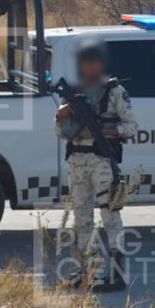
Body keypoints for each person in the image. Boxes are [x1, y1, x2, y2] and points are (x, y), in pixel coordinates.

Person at [54, 37, 138, 291]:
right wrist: (61, 115)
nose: (89, 67)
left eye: (93, 62)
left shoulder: (114, 92)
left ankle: (116, 273)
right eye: (85, 62)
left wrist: (105, 130)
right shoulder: (74, 92)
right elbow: (60, 131)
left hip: (102, 160)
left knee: (110, 214)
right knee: (81, 218)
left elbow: (132, 127)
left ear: (101, 64)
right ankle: (85, 271)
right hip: (77, 161)